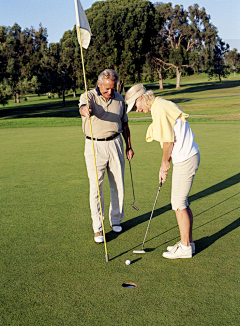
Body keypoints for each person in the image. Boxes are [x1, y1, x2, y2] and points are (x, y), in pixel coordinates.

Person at [125, 84, 200, 259]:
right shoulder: (159, 105)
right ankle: (187, 243)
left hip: (186, 158)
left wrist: (164, 163)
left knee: (178, 203)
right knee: (182, 203)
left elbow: (168, 141)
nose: (137, 110)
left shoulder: (159, 108)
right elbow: (172, 135)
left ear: (142, 98)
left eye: (136, 106)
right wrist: (166, 162)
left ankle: (185, 247)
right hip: (187, 156)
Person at [79, 69, 134, 244]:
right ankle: (98, 227)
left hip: (115, 142)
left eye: (113, 88)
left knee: (118, 183)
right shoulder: (88, 97)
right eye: (106, 89)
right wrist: (85, 111)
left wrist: (129, 146)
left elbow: (124, 124)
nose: (110, 92)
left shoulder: (119, 98)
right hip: (94, 145)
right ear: (99, 84)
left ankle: (116, 219)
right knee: (96, 187)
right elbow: (81, 108)